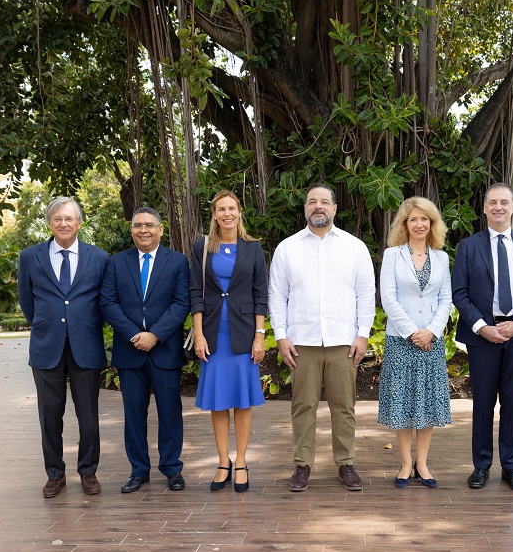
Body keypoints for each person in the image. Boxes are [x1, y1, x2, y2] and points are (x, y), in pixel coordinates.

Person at [268, 182, 376, 492]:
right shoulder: (287, 248)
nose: (318, 206)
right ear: (305, 208)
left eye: (324, 202)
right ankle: (302, 465)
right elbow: (277, 294)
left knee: (344, 407)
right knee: (303, 406)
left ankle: (346, 463)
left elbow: (366, 293)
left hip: (343, 342)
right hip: (302, 342)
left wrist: (363, 335)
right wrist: (281, 336)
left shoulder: (354, 247)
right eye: (312, 201)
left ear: (334, 208)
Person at [452, 183, 513, 491]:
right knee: (482, 403)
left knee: (512, 403)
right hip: (483, 336)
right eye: (492, 202)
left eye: (504, 202)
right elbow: (460, 293)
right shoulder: (469, 246)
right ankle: (481, 466)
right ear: (484, 208)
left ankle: (511, 466)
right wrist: (483, 327)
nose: (498, 207)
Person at [17, 197, 108, 498]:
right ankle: (55, 474)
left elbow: (104, 301)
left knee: (88, 416)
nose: (64, 224)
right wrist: (44, 324)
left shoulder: (99, 257)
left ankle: (88, 471)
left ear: (79, 223)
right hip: (47, 346)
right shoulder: (30, 257)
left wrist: (85, 325)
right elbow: (26, 299)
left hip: (86, 345)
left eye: (69, 218)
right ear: (49, 223)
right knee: (49, 415)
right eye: (57, 219)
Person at [100, 207, 190, 494]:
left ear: (160, 229)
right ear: (131, 230)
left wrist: (156, 335)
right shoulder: (116, 263)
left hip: (165, 350)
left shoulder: (178, 262)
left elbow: (181, 303)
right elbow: (108, 303)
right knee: (134, 415)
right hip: (130, 352)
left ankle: (172, 468)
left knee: (170, 412)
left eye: (149, 225)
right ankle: (139, 470)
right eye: (138, 225)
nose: (143, 230)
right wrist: (134, 335)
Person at [189, 191, 269, 493]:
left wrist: (259, 335)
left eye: (232, 208)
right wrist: (198, 333)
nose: (227, 214)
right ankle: (223, 462)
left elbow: (260, 294)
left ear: (239, 212)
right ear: (214, 214)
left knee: (242, 401)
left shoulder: (253, 248)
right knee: (219, 401)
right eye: (221, 209)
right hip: (212, 334)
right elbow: (196, 291)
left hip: (244, 333)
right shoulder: (202, 247)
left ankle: (242, 461)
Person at [377, 196, 452, 488]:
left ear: (432, 223)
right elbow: (388, 298)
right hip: (401, 339)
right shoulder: (393, 255)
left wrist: (431, 331)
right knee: (402, 400)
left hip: (432, 340)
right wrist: (412, 332)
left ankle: (422, 463)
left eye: (424, 219)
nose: (419, 224)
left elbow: (445, 299)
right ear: (404, 224)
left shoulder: (441, 257)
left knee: (427, 401)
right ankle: (406, 463)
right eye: (413, 219)